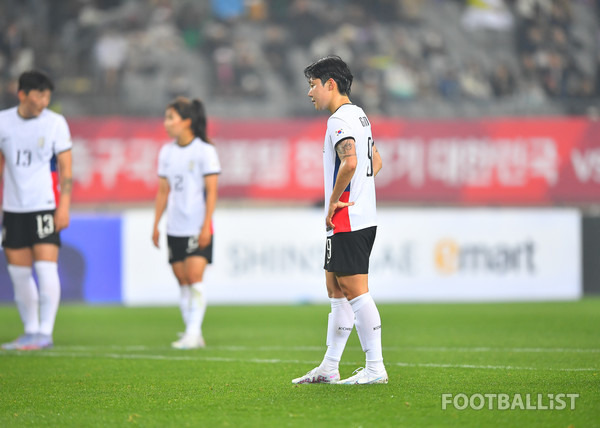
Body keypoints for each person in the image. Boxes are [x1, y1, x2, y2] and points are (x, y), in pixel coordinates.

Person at [292, 56, 387, 385]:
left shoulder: (339, 121)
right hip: (362, 214)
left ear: (330, 84)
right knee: (335, 287)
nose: (310, 93)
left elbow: (350, 161)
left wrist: (334, 202)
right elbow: (376, 160)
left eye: (313, 85)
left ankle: (375, 367)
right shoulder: (359, 116)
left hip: (349, 217)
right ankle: (330, 366)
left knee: (354, 289)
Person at [0, 70, 73, 351]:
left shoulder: (55, 123)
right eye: (39, 95)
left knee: (45, 267)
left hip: (44, 205)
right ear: (22, 95)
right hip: (14, 209)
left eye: (47, 95)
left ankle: (46, 332)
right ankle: (30, 330)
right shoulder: (4, 122)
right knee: (19, 275)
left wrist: (63, 207)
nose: (44, 101)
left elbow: (66, 170)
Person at [152, 96, 221, 350]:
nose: (166, 123)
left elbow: (211, 192)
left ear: (187, 122)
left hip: (197, 225)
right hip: (175, 227)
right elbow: (163, 191)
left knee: (194, 277)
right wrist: (156, 224)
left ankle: (192, 333)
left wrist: (206, 226)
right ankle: (193, 332)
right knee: (182, 280)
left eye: (171, 117)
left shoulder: (205, 151)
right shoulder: (166, 152)